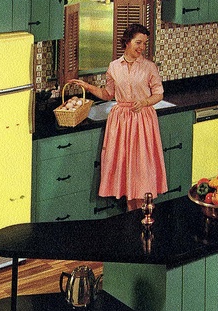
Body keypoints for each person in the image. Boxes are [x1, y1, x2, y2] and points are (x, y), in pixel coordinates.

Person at [69, 23, 167, 211]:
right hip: (121, 121)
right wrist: (87, 87)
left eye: (144, 44)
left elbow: (159, 94)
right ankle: (133, 214)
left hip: (142, 119)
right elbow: (108, 94)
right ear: (127, 42)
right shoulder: (114, 67)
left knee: (142, 167)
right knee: (126, 166)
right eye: (138, 43)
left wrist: (145, 102)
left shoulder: (149, 67)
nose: (141, 48)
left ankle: (146, 213)